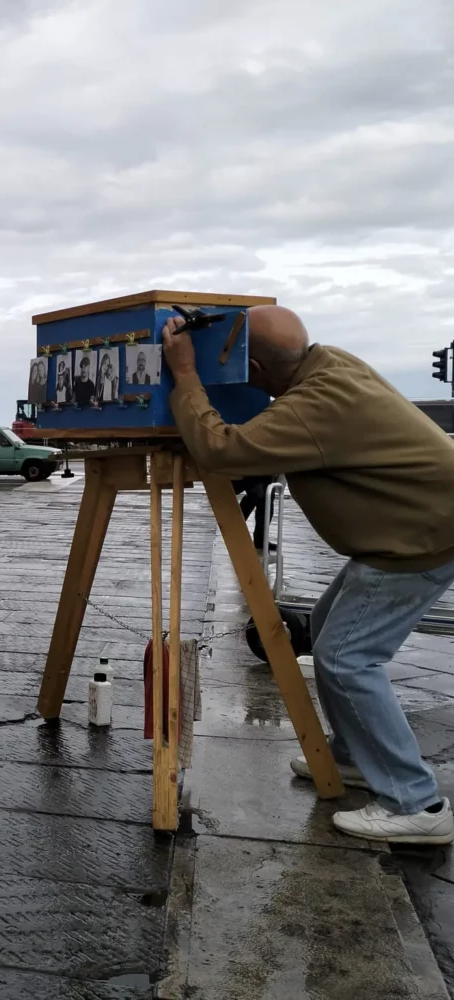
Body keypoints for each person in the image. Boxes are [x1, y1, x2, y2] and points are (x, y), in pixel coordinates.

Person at [162, 304, 454, 845]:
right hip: (420, 523)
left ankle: (418, 802)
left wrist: (184, 375)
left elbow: (219, 450)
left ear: (259, 368)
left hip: (421, 536)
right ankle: (357, 759)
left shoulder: (313, 404)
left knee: (347, 659)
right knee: (327, 633)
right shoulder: (328, 363)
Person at [233, 475, 276, 550]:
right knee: (262, 497)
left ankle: (235, 527)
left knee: (263, 497)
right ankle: (235, 527)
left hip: (251, 474)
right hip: (245, 474)